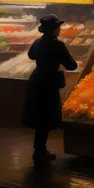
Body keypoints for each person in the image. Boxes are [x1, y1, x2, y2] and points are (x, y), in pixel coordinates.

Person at [22, 14, 78, 165]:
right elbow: (72, 66)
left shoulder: (37, 42)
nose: (59, 30)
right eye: (58, 27)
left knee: (39, 117)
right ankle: (40, 152)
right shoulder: (57, 44)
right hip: (49, 83)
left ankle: (39, 150)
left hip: (36, 80)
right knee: (45, 117)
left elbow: (30, 55)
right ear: (54, 29)